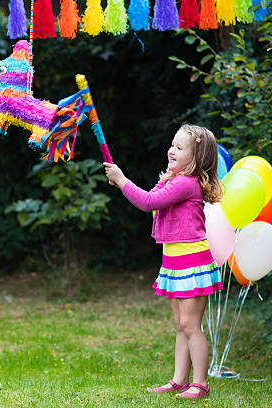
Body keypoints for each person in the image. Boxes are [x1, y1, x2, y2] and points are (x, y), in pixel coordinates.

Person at [103, 124, 223, 400]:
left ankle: (200, 383)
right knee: (181, 326)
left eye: (180, 148)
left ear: (196, 159)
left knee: (191, 327)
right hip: (174, 263)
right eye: (172, 145)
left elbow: (147, 202)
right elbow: (153, 196)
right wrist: (164, 176)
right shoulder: (174, 179)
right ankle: (179, 380)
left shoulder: (186, 183)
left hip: (192, 264)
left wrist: (122, 180)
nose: (171, 150)